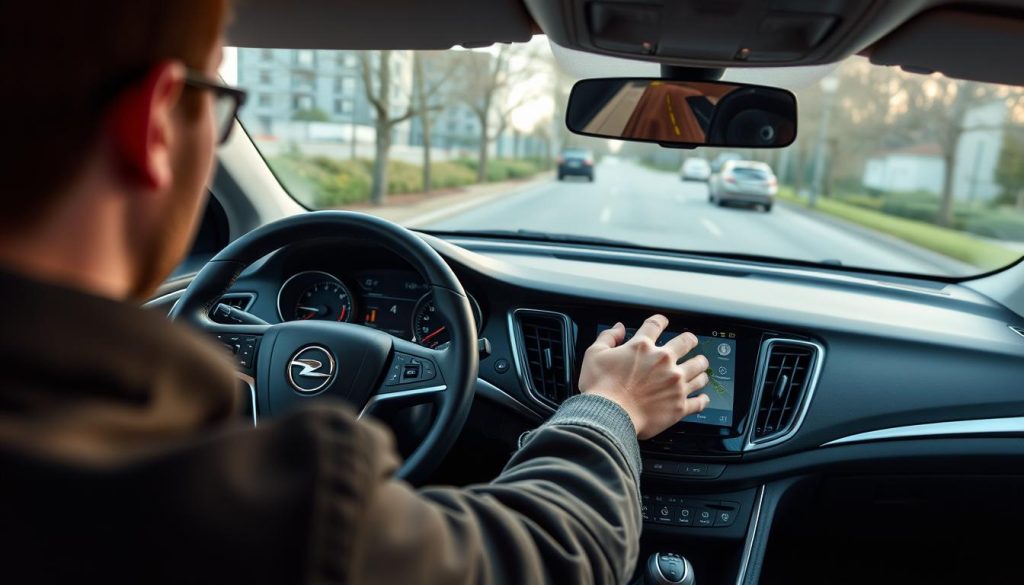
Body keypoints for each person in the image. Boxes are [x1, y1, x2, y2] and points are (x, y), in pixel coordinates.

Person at [0, 2, 711, 583]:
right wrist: (608, 407)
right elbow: (557, 554)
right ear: (156, 127)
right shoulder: (257, 518)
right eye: (216, 103)